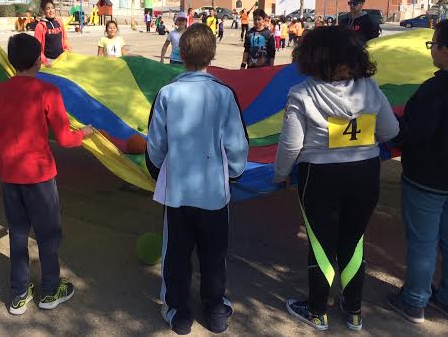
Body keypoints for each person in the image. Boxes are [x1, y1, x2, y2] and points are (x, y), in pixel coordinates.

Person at [274, 26, 400, 331]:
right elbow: (391, 131)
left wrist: (280, 174)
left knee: (321, 243)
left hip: (320, 177)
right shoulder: (369, 87)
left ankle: (317, 310)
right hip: (366, 173)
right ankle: (354, 310)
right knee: (353, 241)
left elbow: (291, 144)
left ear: (311, 58)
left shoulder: (302, 94)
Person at [146, 24, 249, 335]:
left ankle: (178, 313)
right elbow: (237, 145)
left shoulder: (167, 93)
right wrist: (232, 173)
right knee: (214, 254)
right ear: (213, 55)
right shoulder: (224, 94)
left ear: (181, 54)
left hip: (177, 194)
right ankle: (215, 309)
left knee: (176, 254)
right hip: (214, 195)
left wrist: (159, 171)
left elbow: (155, 145)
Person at [0, 33, 94, 315]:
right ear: (39, 60)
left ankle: (19, 294)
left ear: (12, 62)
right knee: (48, 235)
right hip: (38, 176)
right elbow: (65, 138)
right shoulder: (48, 92)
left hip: (10, 173)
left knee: (18, 233)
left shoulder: (0, 90)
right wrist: (84, 133)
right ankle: (49, 290)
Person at [387, 19, 448, 323]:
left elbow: (414, 133)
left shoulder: (434, 90)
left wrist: (391, 128)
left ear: (445, 50)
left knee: (423, 241)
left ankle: (414, 301)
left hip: (428, 179)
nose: (431, 50)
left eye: (433, 44)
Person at [34, 0, 70, 66]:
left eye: (52, 8)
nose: (51, 11)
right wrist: (44, 61)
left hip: (61, 59)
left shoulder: (59, 22)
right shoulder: (40, 26)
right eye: (48, 9)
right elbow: (36, 47)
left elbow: (65, 38)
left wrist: (68, 50)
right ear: (44, 11)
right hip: (49, 61)